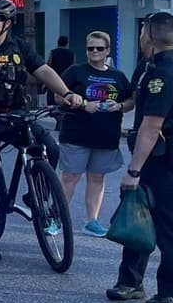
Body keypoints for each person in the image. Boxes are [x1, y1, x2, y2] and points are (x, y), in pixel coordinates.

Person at [0, 0, 84, 261]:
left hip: (17, 115)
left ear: (7, 23)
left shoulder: (20, 47)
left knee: (50, 147)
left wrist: (67, 92)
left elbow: (43, 70)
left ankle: (36, 194)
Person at [107, 13, 173, 303]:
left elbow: (151, 126)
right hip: (156, 157)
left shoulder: (163, 74)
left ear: (149, 37)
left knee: (169, 226)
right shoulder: (153, 67)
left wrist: (134, 170)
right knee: (137, 215)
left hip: (164, 159)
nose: (141, 35)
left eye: (143, 31)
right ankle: (130, 282)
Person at [54, 30, 133, 237]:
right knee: (70, 177)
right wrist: (82, 104)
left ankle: (92, 221)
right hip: (76, 134)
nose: (95, 52)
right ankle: (56, 218)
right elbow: (58, 96)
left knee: (97, 178)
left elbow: (131, 100)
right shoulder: (75, 72)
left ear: (108, 50)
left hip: (106, 136)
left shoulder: (118, 76)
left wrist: (120, 105)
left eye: (99, 48)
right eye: (91, 48)